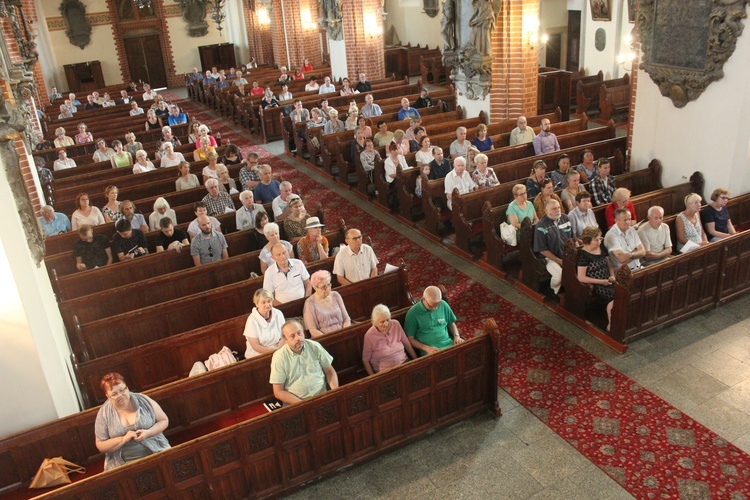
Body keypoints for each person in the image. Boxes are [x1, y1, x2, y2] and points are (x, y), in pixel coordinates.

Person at [94, 373, 170, 471]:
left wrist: (148, 433)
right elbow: (100, 445)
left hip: (155, 452)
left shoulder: (143, 399)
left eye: (122, 390)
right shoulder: (104, 413)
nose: (120, 395)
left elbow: (164, 420)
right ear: (107, 396)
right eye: (114, 394)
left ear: (127, 388)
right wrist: (123, 439)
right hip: (122, 465)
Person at [269, 320, 339, 404]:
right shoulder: (279, 357)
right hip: (296, 402)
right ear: (285, 340)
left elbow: (329, 371)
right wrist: (303, 405)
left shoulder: (314, 346)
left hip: (321, 395)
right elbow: (278, 391)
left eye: (299, 333)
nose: (297, 338)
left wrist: (335, 392)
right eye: (292, 336)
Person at [576, 227, 616, 331]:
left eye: (600, 239)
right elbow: (581, 277)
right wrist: (601, 282)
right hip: (597, 286)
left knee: (622, 293)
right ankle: (611, 324)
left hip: (608, 281)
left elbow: (609, 264)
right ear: (588, 240)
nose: (599, 242)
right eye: (596, 239)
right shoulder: (583, 254)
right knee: (614, 297)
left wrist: (612, 275)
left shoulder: (601, 247)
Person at [405, 286, 462, 355]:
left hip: (448, 343)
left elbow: (451, 323)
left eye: (437, 305)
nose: (434, 309)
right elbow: (410, 338)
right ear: (424, 299)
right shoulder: (412, 313)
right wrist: (426, 348)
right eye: (431, 306)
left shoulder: (443, 304)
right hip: (429, 349)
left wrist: (456, 336)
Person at [362, 304, 418, 375]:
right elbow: (365, 360)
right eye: (382, 322)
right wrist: (373, 379)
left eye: (388, 320)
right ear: (375, 322)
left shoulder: (395, 324)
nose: (386, 324)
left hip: (403, 363)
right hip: (385, 372)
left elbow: (407, 344)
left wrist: (417, 361)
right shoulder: (369, 336)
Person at [533, 199, 573, 295]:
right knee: (559, 275)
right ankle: (553, 291)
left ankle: (571, 291)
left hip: (566, 254)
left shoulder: (565, 219)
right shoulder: (541, 226)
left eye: (558, 207)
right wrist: (558, 261)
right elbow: (542, 250)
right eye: (554, 209)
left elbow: (572, 239)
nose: (558, 210)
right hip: (549, 257)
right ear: (546, 211)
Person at [304, 270, 351, 338]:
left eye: (328, 285)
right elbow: (313, 330)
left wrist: (344, 333)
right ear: (315, 288)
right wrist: (329, 339)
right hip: (325, 339)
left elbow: (346, 319)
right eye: (323, 287)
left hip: (343, 334)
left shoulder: (336, 295)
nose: (327, 289)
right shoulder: (310, 303)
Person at [244, 289, 286, 358]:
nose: (267, 305)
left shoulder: (278, 313)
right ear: (257, 304)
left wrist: (278, 349)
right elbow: (255, 345)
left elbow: (284, 335)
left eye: (269, 301)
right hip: (259, 354)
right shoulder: (252, 320)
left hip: (279, 349)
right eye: (263, 302)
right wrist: (272, 352)